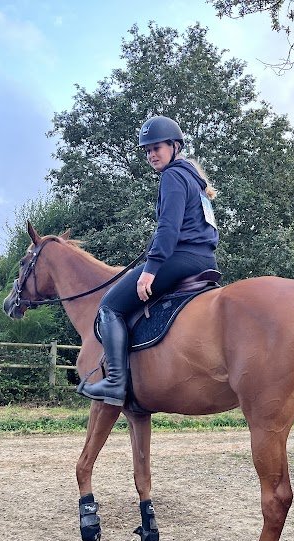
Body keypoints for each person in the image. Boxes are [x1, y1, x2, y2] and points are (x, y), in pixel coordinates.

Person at [78, 115, 220, 406]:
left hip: (180, 258)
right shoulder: (194, 179)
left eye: (157, 147)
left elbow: (169, 228)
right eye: (147, 150)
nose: (152, 154)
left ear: (175, 146)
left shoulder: (173, 176)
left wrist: (151, 269)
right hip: (205, 261)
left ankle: (115, 383)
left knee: (109, 306)